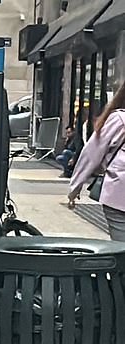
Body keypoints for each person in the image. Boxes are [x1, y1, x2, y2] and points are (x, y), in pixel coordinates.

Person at [69, 81, 125, 241]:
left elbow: (92, 152)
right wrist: (76, 184)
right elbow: (92, 152)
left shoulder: (118, 119)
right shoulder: (120, 119)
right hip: (119, 199)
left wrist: (75, 186)